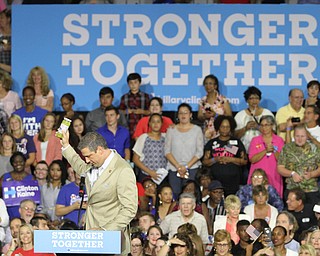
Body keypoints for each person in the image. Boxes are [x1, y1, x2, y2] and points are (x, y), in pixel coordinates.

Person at [60, 131, 138, 255]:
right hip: (91, 236)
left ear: (100, 150)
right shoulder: (94, 163)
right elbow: (80, 166)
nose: (86, 160)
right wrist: (66, 146)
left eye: (89, 156)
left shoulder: (122, 170)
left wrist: (105, 230)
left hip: (112, 239)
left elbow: (130, 209)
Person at [165, 103, 204, 197]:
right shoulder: (171, 130)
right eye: (180, 113)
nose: (183, 115)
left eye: (186, 113)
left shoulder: (197, 130)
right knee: (175, 195)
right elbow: (167, 151)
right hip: (174, 168)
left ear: (190, 115)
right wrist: (178, 166)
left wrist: (186, 167)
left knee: (190, 195)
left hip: (192, 168)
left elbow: (199, 152)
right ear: (177, 115)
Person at [203, 115, 247, 196]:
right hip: (215, 183)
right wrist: (216, 159)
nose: (225, 129)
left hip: (233, 182)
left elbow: (244, 161)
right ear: (218, 127)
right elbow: (205, 162)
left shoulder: (236, 142)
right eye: (222, 127)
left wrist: (230, 159)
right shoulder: (211, 143)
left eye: (227, 127)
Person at [278, 125, 320, 204]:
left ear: (307, 136)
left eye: (302, 136)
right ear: (294, 136)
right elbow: (280, 168)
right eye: (297, 136)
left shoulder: (315, 149)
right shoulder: (287, 148)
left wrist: (312, 174)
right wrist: (292, 174)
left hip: (310, 189)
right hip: (292, 190)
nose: (300, 139)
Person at [248, 115, 284, 197]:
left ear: (272, 125)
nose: (264, 128)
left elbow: (281, 159)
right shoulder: (255, 140)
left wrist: (273, 150)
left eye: (267, 125)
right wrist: (265, 151)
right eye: (262, 125)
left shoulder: (279, 140)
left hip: (274, 175)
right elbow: (252, 159)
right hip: (257, 177)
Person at [234, 86, 274, 151]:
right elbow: (234, 136)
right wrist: (245, 128)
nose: (254, 101)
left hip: (264, 149)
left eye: (257, 98)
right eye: (251, 98)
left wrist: (258, 127)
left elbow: (274, 133)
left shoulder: (267, 113)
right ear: (247, 100)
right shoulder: (240, 115)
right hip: (245, 150)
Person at [133, 113, 167, 182]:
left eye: (158, 121)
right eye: (153, 121)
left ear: (162, 123)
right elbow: (135, 159)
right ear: (149, 123)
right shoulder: (143, 137)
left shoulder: (166, 137)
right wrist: (150, 172)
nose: (156, 124)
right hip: (146, 175)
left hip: (162, 176)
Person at [198, 74, 232, 141]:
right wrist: (205, 116)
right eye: (206, 84)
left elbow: (229, 116)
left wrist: (215, 115)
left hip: (222, 133)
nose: (208, 86)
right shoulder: (202, 101)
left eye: (210, 83)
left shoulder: (222, 99)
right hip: (207, 134)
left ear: (215, 86)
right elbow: (199, 116)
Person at [0, 153, 34, 218]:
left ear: (25, 162)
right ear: (12, 163)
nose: (18, 164)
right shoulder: (4, 178)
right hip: (8, 213)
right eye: (15, 162)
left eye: (21, 161)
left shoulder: (32, 179)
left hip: (26, 216)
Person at [119, 72, 150, 137]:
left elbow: (150, 112)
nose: (133, 85)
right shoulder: (124, 97)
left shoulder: (146, 96)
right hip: (128, 128)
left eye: (135, 82)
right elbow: (119, 112)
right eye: (131, 83)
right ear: (128, 84)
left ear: (140, 83)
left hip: (143, 129)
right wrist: (127, 111)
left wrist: (142, 111)